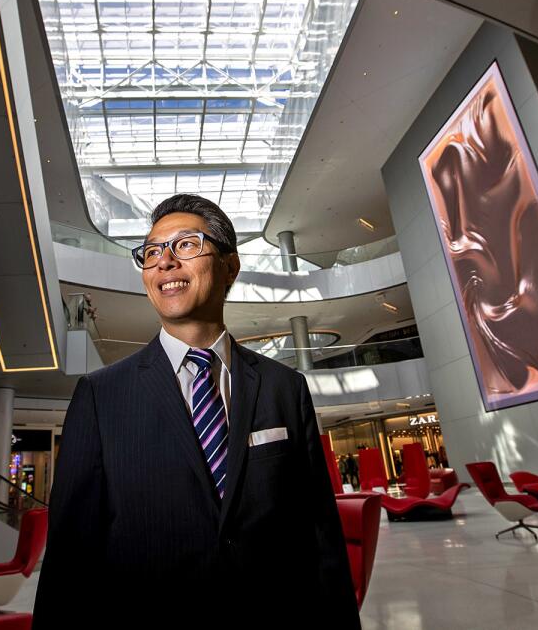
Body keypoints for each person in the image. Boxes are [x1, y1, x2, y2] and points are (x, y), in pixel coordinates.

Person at [33, 194, 359, 628]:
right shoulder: (100, 396)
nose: (164, 262)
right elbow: (70, 561)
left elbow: (319, 537)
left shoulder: (285, 388)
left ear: (230, 266)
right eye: (151, 252)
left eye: (186, 245)